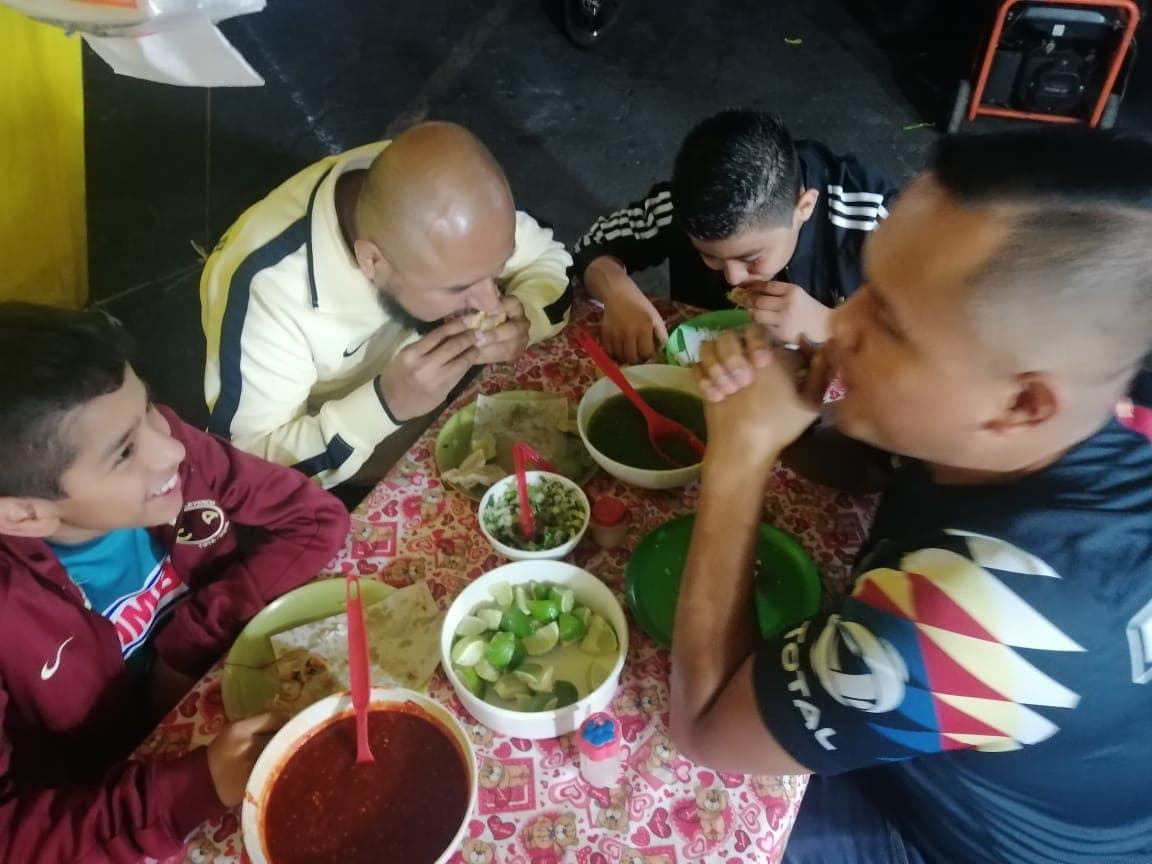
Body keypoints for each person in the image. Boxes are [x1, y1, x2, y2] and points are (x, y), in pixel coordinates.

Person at [671, 128, 1152, 864]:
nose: (843, 324)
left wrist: (739, 461)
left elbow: (705, 727)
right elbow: (878, 472)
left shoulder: (991, 615)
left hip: (946, 837)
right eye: (867, 285)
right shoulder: (1100, 416)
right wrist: (785, 417)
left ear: (1022, 405)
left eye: (891, 322)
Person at [0, 303, 350, 863]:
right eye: (124, 453)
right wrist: (192, 790)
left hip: (212, 704)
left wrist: (189, 641)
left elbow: (315, 519)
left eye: (148, 411)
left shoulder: (168, 452)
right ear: (23, 515)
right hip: (116, 805)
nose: (174, 448)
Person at [201, 121, 573, 489]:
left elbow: (549, 260)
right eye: (458, 288)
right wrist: (384, 405)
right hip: (342, 450)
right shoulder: (267, 296)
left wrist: (529, 317)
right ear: (372, 261)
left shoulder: (439, 191)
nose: (491, 304)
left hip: (431, 408)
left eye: (498, 270)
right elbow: (244, 473)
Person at [573, 109, 897, 363]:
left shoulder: (874, 220)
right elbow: (593, 244)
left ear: (805, 207)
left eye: (751, 258)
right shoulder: (687, 204)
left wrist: (833, 326)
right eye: (709, 256)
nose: (732, 277)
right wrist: (616, 290)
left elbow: (931, 350)